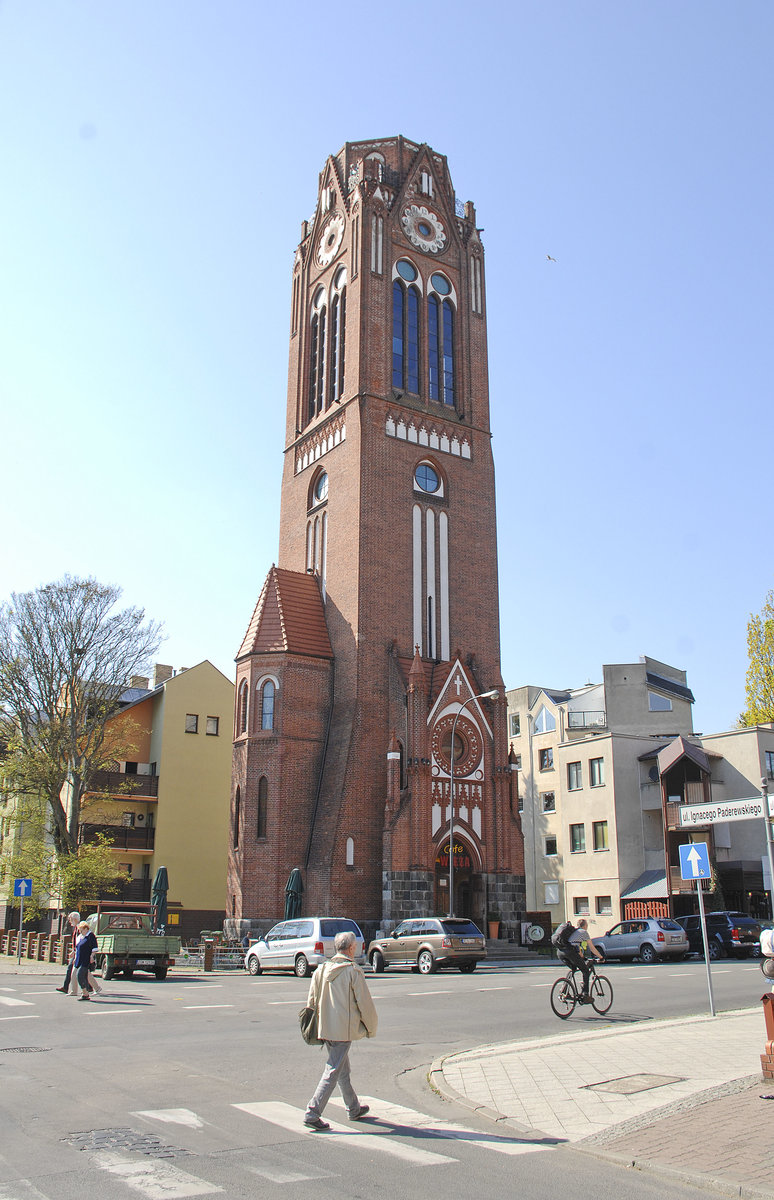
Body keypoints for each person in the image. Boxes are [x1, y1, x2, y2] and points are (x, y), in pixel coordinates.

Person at [303, 930, 378, 1131]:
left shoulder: (322, 969)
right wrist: (371, 1027)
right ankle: (313, 1111)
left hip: (324, 1027)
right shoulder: (353, 971)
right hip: (343, 1029)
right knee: (334, 1069)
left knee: (342, 1068)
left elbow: (311, 1000)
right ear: (352, 948)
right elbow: (365, 1003)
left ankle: (353, 1108)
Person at [560, 917, 603, 1002]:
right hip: (570, 952)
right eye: (587, 925)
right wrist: (601, 957)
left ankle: (564, 991)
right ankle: (585, 995)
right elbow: (592, 948)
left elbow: (577, 948)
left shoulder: (573, 932)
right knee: (586, 971)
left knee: (573, 968)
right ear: (585, 926)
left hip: (561, 952)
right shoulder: (583, 932)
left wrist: (583, 957)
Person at [56, 912, 81, 995]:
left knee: (78, 970)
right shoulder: (76, 928)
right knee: (73, 970)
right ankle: (65, 987)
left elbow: (80, 942)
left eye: (70, 920)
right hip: (76, 952)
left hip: (79, 953)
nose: (70, 922)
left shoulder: (80, 928)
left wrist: (75, 951)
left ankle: (89, 987)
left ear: (74, 919)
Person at [74, 920, 99, 1001]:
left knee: (80, 975)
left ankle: (85, 992)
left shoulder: (90, 936)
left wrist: (92, 956)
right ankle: (86, 993)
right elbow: (77, 948)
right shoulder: (80, 937)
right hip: (79, 959)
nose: (80, 931)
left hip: (86, 960)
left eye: (81, 929)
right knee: (83, 976)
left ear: (85, 928)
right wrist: (75, 957)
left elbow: (95, 948)